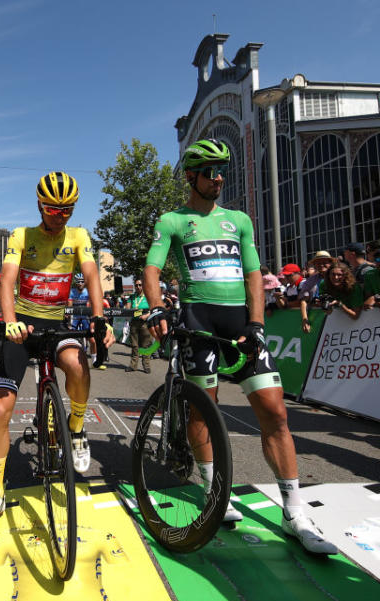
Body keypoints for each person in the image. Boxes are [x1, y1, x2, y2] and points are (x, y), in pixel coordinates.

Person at [144, 138, 336, 554]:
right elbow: (152, 267)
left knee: (275, 411)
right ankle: (216, 488)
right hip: (199, 319)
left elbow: (253, 273)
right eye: (211, 172)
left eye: (222, 172)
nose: (219, 179)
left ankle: (293, 512)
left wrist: (256, 322)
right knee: (203, 408)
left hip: (239, 321)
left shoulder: (239, 220)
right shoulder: (173, 221)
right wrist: (156, 308)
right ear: (192, 177)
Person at [0, 171, 113, 531]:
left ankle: (77, 429)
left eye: (67, 210)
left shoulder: (79, 236)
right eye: (53, 209)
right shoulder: (23, 235)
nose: (59, 216)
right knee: (1, 408)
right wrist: (8, 321)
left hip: (56, 323)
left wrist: (100, 318)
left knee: (78, 366)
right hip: (20, 324)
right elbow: (6, 278)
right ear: (39, 205)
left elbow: (92, 274)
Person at [299, 251, 333, 333]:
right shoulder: (310, 280)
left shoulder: (338, 276)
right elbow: (303, 300)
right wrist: (305, 319)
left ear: (330, 263)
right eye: (318, 263)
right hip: (317, 319)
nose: (321, 265)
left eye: (324, 262)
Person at [124, 277, 151, 372]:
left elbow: (153, 309)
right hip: (134, 323)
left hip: (145, 323)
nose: (138, 287)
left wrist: (147, 315)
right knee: (134, 346)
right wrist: (128, 306)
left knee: (145, 345)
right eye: (136, 285)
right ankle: (133, 365)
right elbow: (127, 309)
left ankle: (146, 366)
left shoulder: (148, 296)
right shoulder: (132, 297)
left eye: (140, 285)